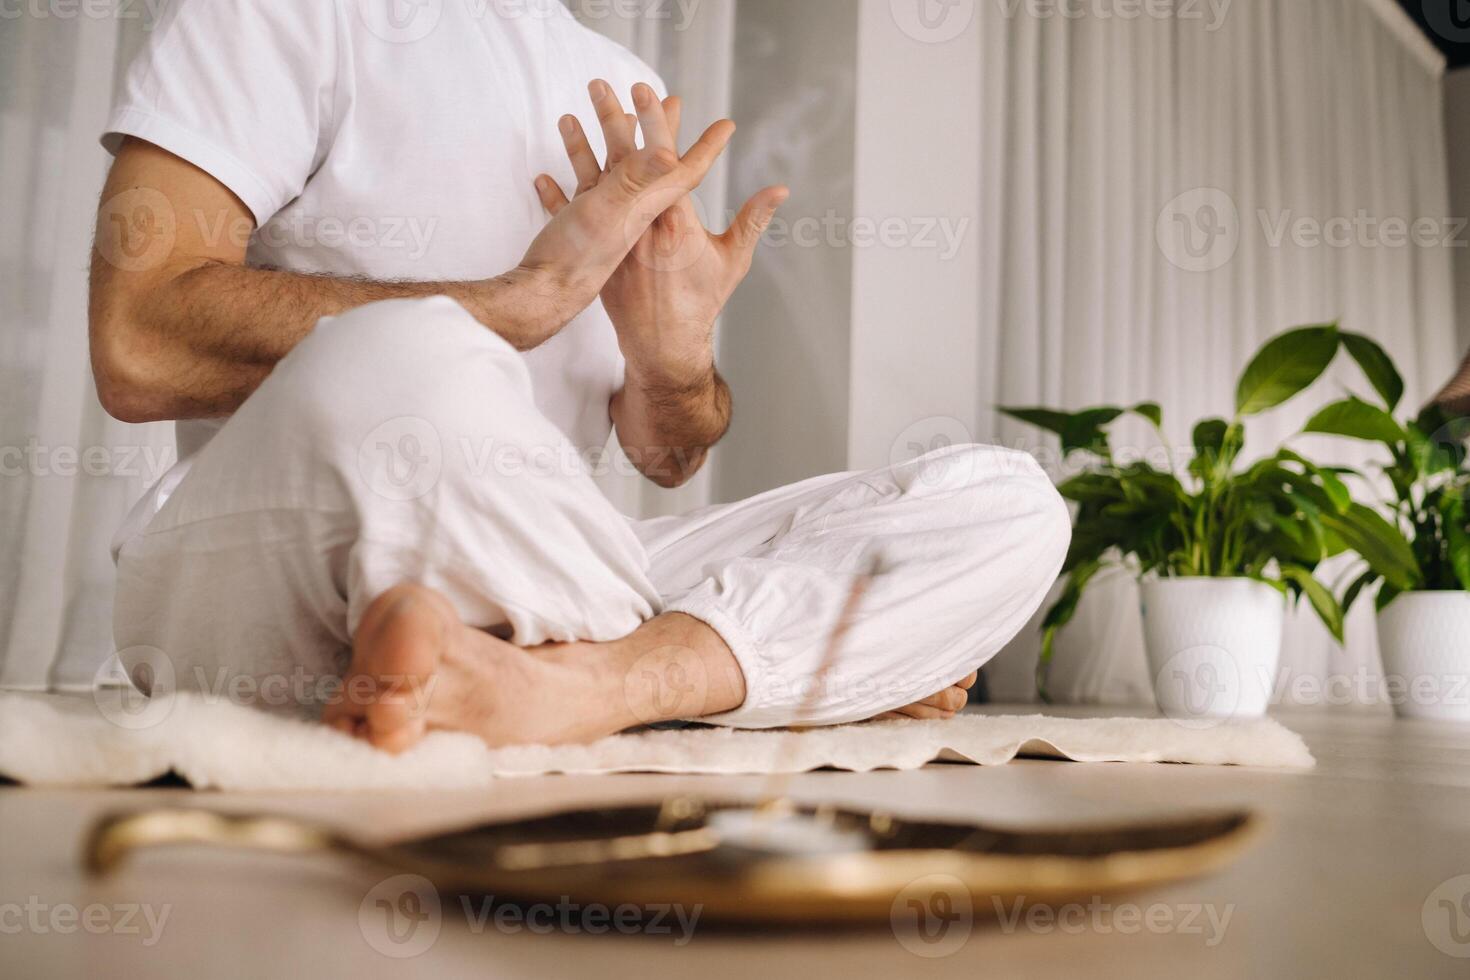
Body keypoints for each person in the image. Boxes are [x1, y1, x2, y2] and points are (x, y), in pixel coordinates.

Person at [90, 0, 1070, 753]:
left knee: (1009, 503)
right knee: (409, 350)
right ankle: (745, 668)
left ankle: (572, 687)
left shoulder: (617, 78)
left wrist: (673, 360)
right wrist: (525, 298)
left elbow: (666, 452)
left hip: (559, 570)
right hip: (274, 581)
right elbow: (137, 341)